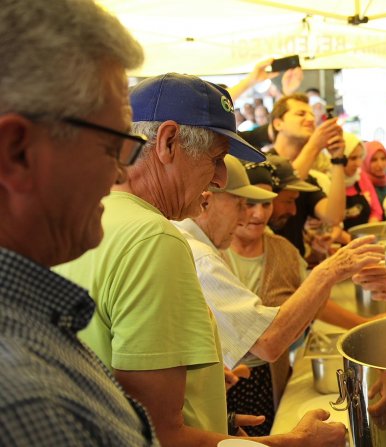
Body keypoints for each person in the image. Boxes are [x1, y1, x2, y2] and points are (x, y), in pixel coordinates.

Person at [54, 73, 345, 446]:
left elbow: (113, 377)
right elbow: (158, 436)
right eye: (217, 158)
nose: (222, 179)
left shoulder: (84, 220)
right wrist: (296, 442)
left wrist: (204, 404)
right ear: (169, 141)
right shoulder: (155, 239)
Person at [0, 1, 157, 445]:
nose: (122, 173)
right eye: (112, 146)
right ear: (17, 152)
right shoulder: (28, 403)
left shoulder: (34, 328)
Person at [176, 155, 382, 437]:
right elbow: (267, 341)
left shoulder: (199, 246)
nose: (248, 217)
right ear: (207, 200)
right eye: (241, 205)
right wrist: (329, 270)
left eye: (263, 204)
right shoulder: (199, 256)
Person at [264, 93, 346, 256]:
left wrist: (337, 159)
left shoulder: (308, 177)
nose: (310, 119)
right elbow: (281, 189)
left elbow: (333, 217)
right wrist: (315, 145)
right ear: (278, 123)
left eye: (311, 114)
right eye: (301, 114)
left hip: (296, 266)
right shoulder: (262, 165)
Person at [340, 132, 383, 229]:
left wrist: (369, 230)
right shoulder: (330, 182)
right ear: (340, 157)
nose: (359, 164)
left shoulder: (361, 177)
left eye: (360, 157)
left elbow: (376, 210)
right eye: (353, 158)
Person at [362, 141, 386, 210]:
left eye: (383, 159)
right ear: (365, 161)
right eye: (374, 160)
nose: (380, 165)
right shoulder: (361, 186)